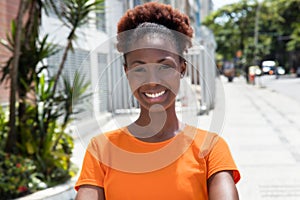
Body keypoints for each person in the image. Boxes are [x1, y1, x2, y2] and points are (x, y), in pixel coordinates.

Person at [75, 2, 240, 200]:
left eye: (165, 67)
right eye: (139, 69)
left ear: (182, 68)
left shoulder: (211, 148)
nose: (152, 81)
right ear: (126, 72)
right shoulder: (101, 150)